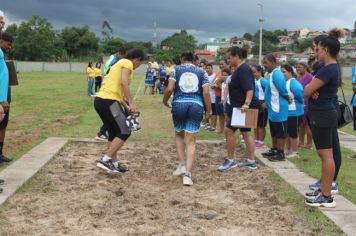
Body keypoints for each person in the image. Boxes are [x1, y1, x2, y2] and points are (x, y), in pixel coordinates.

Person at [303, 29, 343, 208]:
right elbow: (312, 91)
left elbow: (306, 91)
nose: (315, 52)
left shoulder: (328, 69)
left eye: (317, 49)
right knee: (326, 155)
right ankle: (324, 190)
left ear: (325, 50)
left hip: (323, 114)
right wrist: (313, 91)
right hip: (323, 113)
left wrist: (311, 90)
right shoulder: (331, 68)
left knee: (326, 155)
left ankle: (326, 195)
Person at [163, 52, 212, 186]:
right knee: (191, 141)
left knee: (179, 135)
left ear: (182, 59)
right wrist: (209, 110)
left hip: (179, 104)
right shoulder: (202, 72)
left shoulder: (176, 69)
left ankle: (181, 164)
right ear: (193, 60)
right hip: (196, 105)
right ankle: (188, 175)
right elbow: (206, 93)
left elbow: (169, 88)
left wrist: (165, 101)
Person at [94, 49, 144, 174]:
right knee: (125, 131)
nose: (138, 66)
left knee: (113, 133)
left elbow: (118, 92)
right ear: (137, 59)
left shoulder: (119, 64)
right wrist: (131, 103)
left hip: (101, 100)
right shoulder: (127, 63)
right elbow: (124, 83)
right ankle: (105, 159)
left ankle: (114, 164)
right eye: (140, 63)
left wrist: (127, 107)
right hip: (109, 101)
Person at [218, 46, 260, 171]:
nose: (228, 60)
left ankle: (230, 160)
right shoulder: (239, 69)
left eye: (229, 57)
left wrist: (246, 103)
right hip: (239, 108)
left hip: (243, 108)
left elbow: (250, 89)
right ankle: (251, 161)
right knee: (246, 133)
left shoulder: (244, 69)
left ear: (236, 56)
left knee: (228, 131)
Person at [262, 54, 291, 162]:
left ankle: (280, 153)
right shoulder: (271, 74)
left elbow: (282, 89)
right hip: (272, 109)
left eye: (266, 63)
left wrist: (288, 97)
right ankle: (274, 149)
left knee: (280, 132)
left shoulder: (277, 74)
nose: (264, 65)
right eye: (263, 63)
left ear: (273, 62)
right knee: (274, 131)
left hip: (278, 108)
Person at [96, 47, 128, 141]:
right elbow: (111, 72)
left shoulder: (112, 58)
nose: (125, 59)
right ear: (120, 54)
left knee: (112, 117)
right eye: (125, 56)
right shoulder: (115, 61)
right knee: (116, 121)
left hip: (108, 86)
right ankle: (101, 132)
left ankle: (103, 133)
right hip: (109, 87)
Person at [281, 64, 304, 158]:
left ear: (290, 72)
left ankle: (295, 152)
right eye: (281, 72)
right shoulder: (285, 82)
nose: (282, 74)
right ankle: (289, 150)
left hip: (295, 112)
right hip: (287, 112)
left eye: (284, 72)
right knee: (287, 133)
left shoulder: (293, 83)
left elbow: (301, 95)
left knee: (294, 133)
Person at [0, 32, 14, 164]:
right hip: (1, 99)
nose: (9, 47)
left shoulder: (2, 55)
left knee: (3, 125)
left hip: (4, 97)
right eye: (8, 44)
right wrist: (1, 99)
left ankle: (0, 154)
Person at [296, 63, 313, 149]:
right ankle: (301, 142)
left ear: (305, 68)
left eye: (299, 67)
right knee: (301, 125)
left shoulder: (310, 77)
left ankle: (309, 143)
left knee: (307, 125)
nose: (297, 68)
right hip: (300, 103)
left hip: (307, 103)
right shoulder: (299, 77)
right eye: (296, 67)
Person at [252, 64, 268, 148]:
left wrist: (266, 102)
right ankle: (256, 139)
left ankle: (261, 141)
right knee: (255, 124)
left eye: (254, 72)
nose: (253, 74)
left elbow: (269, 92)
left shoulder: (263, 81)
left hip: (262, 103)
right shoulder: (253, 81)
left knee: (261, 124)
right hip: (255, 103)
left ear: (259, 72)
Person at [214, 59, 228, 134]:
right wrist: (214, 85)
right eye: (220, 64)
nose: (221, 65)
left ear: (226, 64)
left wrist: (220, 86)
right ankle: (221, 128)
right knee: (220, 113)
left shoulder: (228, 74)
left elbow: (226, 87)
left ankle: (226, 129)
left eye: (222, 64)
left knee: (226, 114)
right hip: (217, 95)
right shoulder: (218, 73)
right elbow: (214, 82)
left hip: (225, 97)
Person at [205, 63, 217, 131]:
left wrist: (213, 86)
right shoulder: (205, 75)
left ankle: (213, 126)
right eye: (207, 68)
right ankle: (209, 124)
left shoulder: (215, 76)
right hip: (206, 96)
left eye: (209, 68)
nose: (208, 69)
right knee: (208, 111)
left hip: (213, 97)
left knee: (214, 112)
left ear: (212, 69)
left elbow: (215, 85)